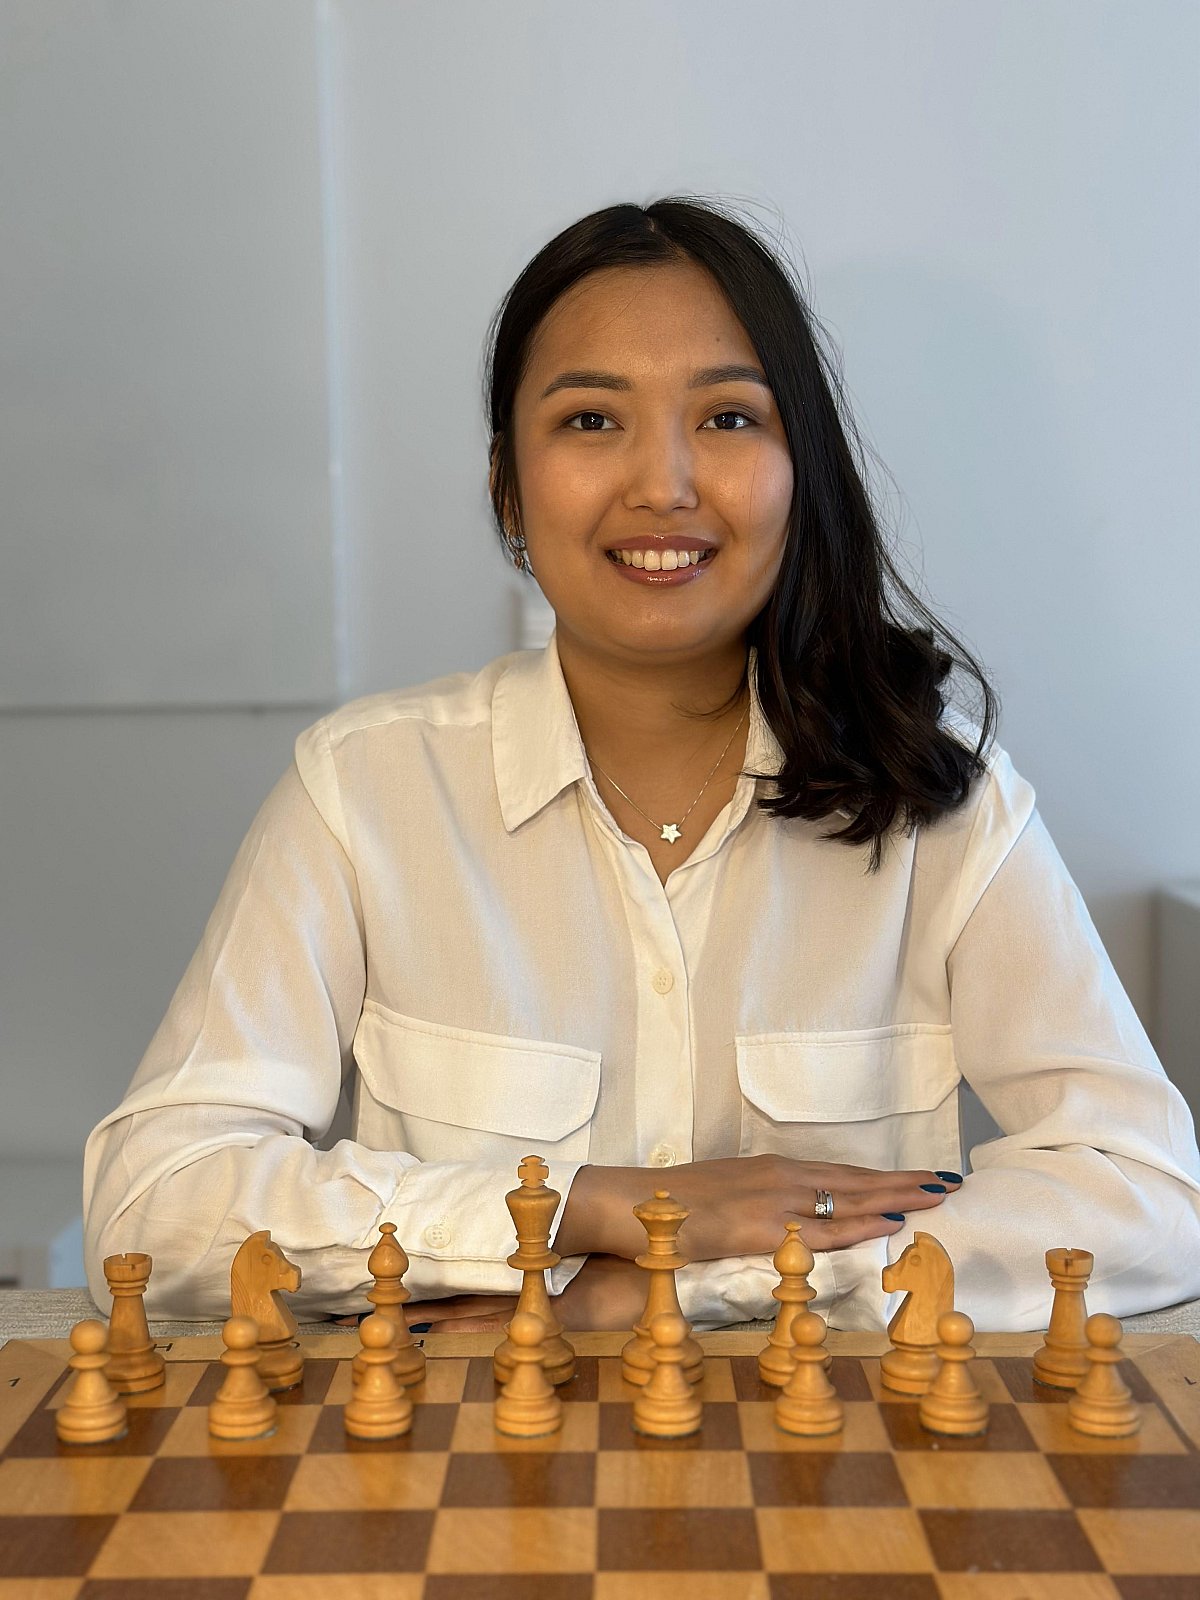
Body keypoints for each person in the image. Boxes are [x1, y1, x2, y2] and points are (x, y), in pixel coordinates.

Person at [83, 197, 1200, 1335]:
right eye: (590, 420)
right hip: (471, 1449)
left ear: (801, 473)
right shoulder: (364, 791)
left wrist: (674, 1285)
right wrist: (593, 1211)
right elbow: (153, 1203)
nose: (663, 484)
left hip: (833, 1450)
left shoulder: (941, 799)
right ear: (508, 488)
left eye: (727, 417)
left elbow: (1149, 1194)